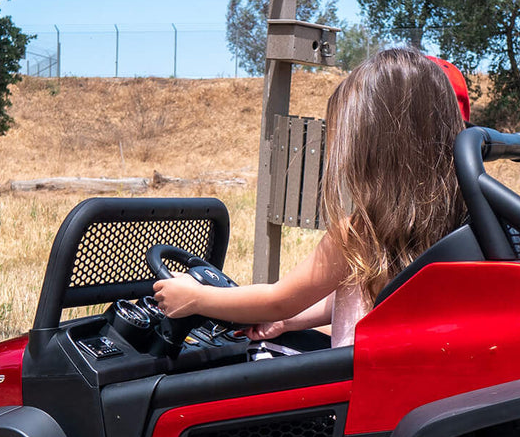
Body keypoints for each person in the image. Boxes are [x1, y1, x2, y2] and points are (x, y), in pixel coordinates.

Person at [152, 48, 467, 347]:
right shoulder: (458, 221)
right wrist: (290, 322)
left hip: (353, 392)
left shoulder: (359, 232)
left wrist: (195, 298)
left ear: (374, 150)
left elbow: (277, 300)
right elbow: (353, 297)